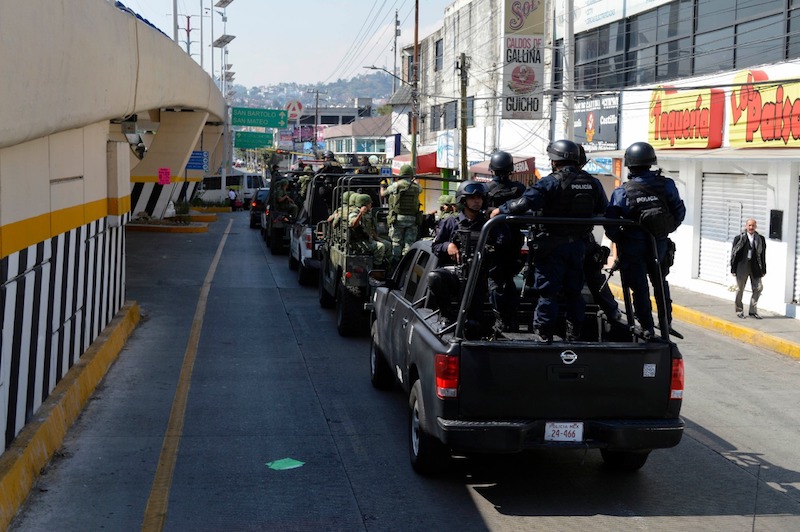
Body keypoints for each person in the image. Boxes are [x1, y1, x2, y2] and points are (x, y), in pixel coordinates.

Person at [490, 139, 607, 342]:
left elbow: (525, 203)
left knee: (548, 293)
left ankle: (544, 335)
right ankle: (574, 333)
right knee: (574, 292)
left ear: (554, 161)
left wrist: (500, 210)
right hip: (579, 246)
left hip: (552, 246)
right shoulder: (592, 182)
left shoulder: (551, 182)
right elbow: (603, 209)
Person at [605, 141, 686, 338]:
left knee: (639, 288)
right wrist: (663, 231)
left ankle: (647, 327)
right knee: (660, 282)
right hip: (659, 244)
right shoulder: (666, 185)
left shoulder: (622, 192)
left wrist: (622, 239)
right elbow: (679, 211)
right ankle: (666, 323)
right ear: (651, 162)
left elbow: (610, 223)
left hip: (633, 247)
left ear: (630, 165)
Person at [428, 181, 490, 332]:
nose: (477, 201)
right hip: (455, 274)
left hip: (478, 277)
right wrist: (448, 246)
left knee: (474, 325)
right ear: (463, 200)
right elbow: (435, 246)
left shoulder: (488, 224)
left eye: (480, 198)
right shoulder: (450, 222)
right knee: (435, 277)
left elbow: (502, 244)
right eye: (473, 198)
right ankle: (447, 315)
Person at [381, 164, 422, 262]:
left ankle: (396, 264)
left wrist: (382, 186)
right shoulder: (416, 187)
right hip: (412, 218)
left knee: (396, 242)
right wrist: (415, 180)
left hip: (398, 218)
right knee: (409, 243)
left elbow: (383, 194)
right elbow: (420, 188)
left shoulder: (396, 185)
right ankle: (407, 263)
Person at [730, 218, 767, 319]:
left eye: (753, 226)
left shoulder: (760, 239)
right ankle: (739, 310)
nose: (751, 228)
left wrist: (763, 269)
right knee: (739, 289)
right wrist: (733, 268)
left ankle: (752, 310)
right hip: (742, 265)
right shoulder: (739, 238)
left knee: (758, 287)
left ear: (756, 227)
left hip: (755, 265)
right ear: (746, 226)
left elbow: (763, 255)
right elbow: (734, 254)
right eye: (749, 225)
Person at [348, 193, 390, 268]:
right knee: (380, 247)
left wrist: (378, 239)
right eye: (369, 203)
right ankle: (376, 269)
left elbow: (370, 229)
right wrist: (360, 213)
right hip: (359, 242)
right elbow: (353, 225)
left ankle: (387, 267)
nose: (371, 204)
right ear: (364, 205)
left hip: (368, 239)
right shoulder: (354, 213)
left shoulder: (368, 214)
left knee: (388, 244)